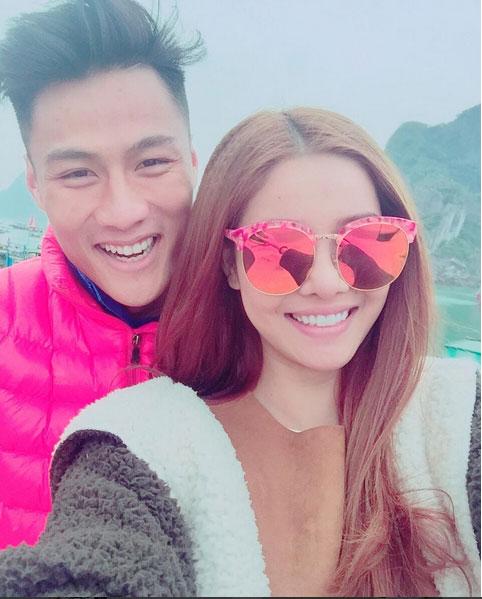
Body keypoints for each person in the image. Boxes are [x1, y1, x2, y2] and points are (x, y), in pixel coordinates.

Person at [0, 108, 479, 597]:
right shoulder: (143, 446)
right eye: (278, 249)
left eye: (367, 244)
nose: (326, 282)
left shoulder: (455, 416)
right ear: (229, 265)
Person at [0, 0, 202, 549]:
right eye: (77, 173)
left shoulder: (265, 324)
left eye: (152, 162)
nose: (123, 211)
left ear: (191, 159)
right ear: (36, 185)